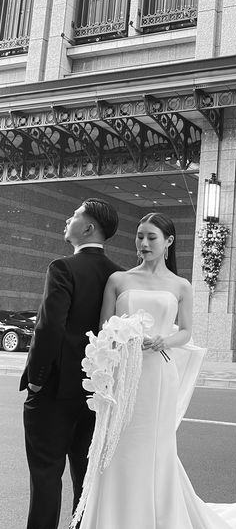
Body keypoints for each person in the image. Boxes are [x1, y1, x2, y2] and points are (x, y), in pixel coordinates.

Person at [75, 212, 236, 529]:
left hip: (158, 376)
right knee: (117, 445)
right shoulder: (118, 280)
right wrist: (121, 342)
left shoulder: (181, 286)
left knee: (154, 447)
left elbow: (186, 332)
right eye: (140, 236)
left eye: (151, 237)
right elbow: (104, 329)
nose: (143, 243)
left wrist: (164, 340)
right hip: (124, 374)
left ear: (169, 242)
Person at [20, 198, 122, 529]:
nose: (68, 219)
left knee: (46, 475)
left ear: (89, 227)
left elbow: (50, 327)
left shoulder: (62, 268)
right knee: (86, 478)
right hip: (96, 394)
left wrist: (36, 379)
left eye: (75, 215)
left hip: (53, 391)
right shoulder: (119, 276)